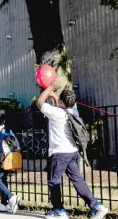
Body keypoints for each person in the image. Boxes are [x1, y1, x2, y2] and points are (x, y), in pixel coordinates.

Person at [36, 81, 108, 219]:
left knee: (54, 181)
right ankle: (96, 206)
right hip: (72, 152)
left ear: (62, 102)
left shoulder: (56, 113)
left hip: (59, 153)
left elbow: (39, 103)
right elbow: (60, 102)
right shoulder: (74, 111)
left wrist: (49, 88)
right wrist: (52, 93)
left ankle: (59, 211)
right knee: (78, 180)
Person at [0, 110, 21, 214]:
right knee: (3, 180)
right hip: (9, 159)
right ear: (4, 121)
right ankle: (3, 204)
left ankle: (11, 197)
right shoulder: (8, 130)